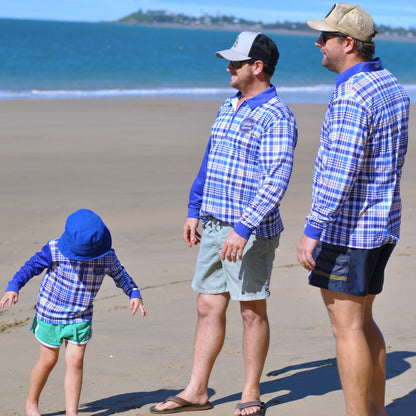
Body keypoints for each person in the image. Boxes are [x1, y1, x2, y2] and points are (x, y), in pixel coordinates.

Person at [151, 31, 297, 416]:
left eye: (236, 62)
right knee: (207, 304)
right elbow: (210, 161)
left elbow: (276, 178)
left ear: (257, 67)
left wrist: (244, 227)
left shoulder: (277, 115)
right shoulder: (228, 106)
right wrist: (194, 208)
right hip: (214, 223)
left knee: (251, 309)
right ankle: (197, 390)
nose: (229, 68)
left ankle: (251, 392)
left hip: (250, 230)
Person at [297, 4, 409, 416]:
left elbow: (340, 171)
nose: (318, 44)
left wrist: (313, 227)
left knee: (346, 327)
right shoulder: (391, 83)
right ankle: (376, 412)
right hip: (381, 225)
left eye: (325, 38)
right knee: (362, 321)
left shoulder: (352, 93)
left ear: (348, 44)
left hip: (350, 230)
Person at [0, 208, 147, 416]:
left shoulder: (106, 257)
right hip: (51, 313)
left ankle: (72, 412)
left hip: (81, 315)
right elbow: (31, 266)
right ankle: (31, 404)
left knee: (76, 362)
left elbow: (120, 274)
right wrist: (14, 286)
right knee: (49, 361)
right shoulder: (54, 250)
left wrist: (133, 293)